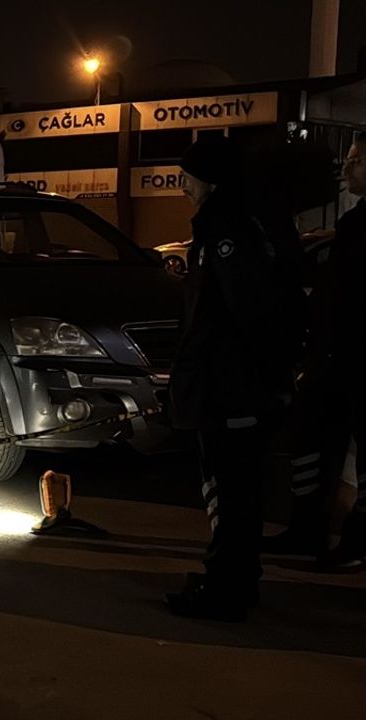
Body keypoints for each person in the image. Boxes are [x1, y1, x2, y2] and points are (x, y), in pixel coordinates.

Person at [166, 136, 304, 621]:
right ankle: (229, 580)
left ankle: (227, 590)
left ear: (210, 179)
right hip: (231, 387)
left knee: (234, 495)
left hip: (232, 390)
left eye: (188, 176)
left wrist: (254, 382)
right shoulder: (235, 223)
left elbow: (250, 314)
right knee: (233, 492)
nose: (182, 186)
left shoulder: (229, 231)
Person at [267, 134, 366, 567]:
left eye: (356, 160)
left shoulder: (360, 225)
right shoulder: (354, 222)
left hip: (351, 354)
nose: (347, 170)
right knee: (311, 437)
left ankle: (350, 544)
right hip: (335, 353)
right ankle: (309, 529)